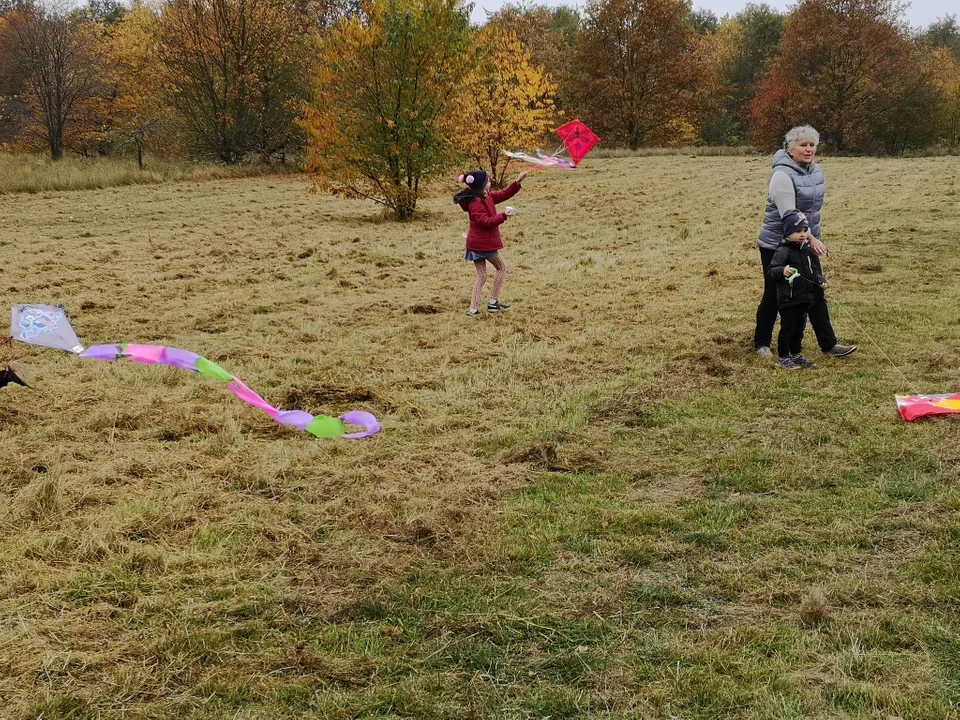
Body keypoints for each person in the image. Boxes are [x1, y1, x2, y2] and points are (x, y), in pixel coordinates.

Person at [754, 125, 853, 359]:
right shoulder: (781, 174)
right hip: (777, 245)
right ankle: (762, 344)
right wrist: (812, 237)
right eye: (803, 145)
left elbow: (813, 209)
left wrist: (811, 237)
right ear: (790, 148)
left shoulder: (816, 171)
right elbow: (790, 214)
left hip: (806, 241)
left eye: (812, 145)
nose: (808, 149)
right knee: (774, 294)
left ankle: (829, 345)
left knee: (816, 290)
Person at [767, 210, 856, 369]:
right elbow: (772, 270)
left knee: (799, 328)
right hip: (789, 299)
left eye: (804, 231)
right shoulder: (783, 250)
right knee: (788, 328)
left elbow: (812, 270)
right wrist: (782, 271)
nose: (802, 234)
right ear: (787, 232)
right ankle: (783, 357)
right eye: (797, 231)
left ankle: (796, 354)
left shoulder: (806, 250)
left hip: (804, 298)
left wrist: (820, 280)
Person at [453, 169, 527, 316]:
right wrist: (503, 216)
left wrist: (517, 182)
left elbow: (504, 193)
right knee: (502, 267)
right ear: (481, 185)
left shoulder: (486, 196)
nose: (490, 182)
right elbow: (485, 222)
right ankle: (493, 302)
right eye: (487, 181)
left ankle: (473, 309)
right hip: (482, 245)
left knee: (482, 275)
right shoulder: (476, 203)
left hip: (475, 245)